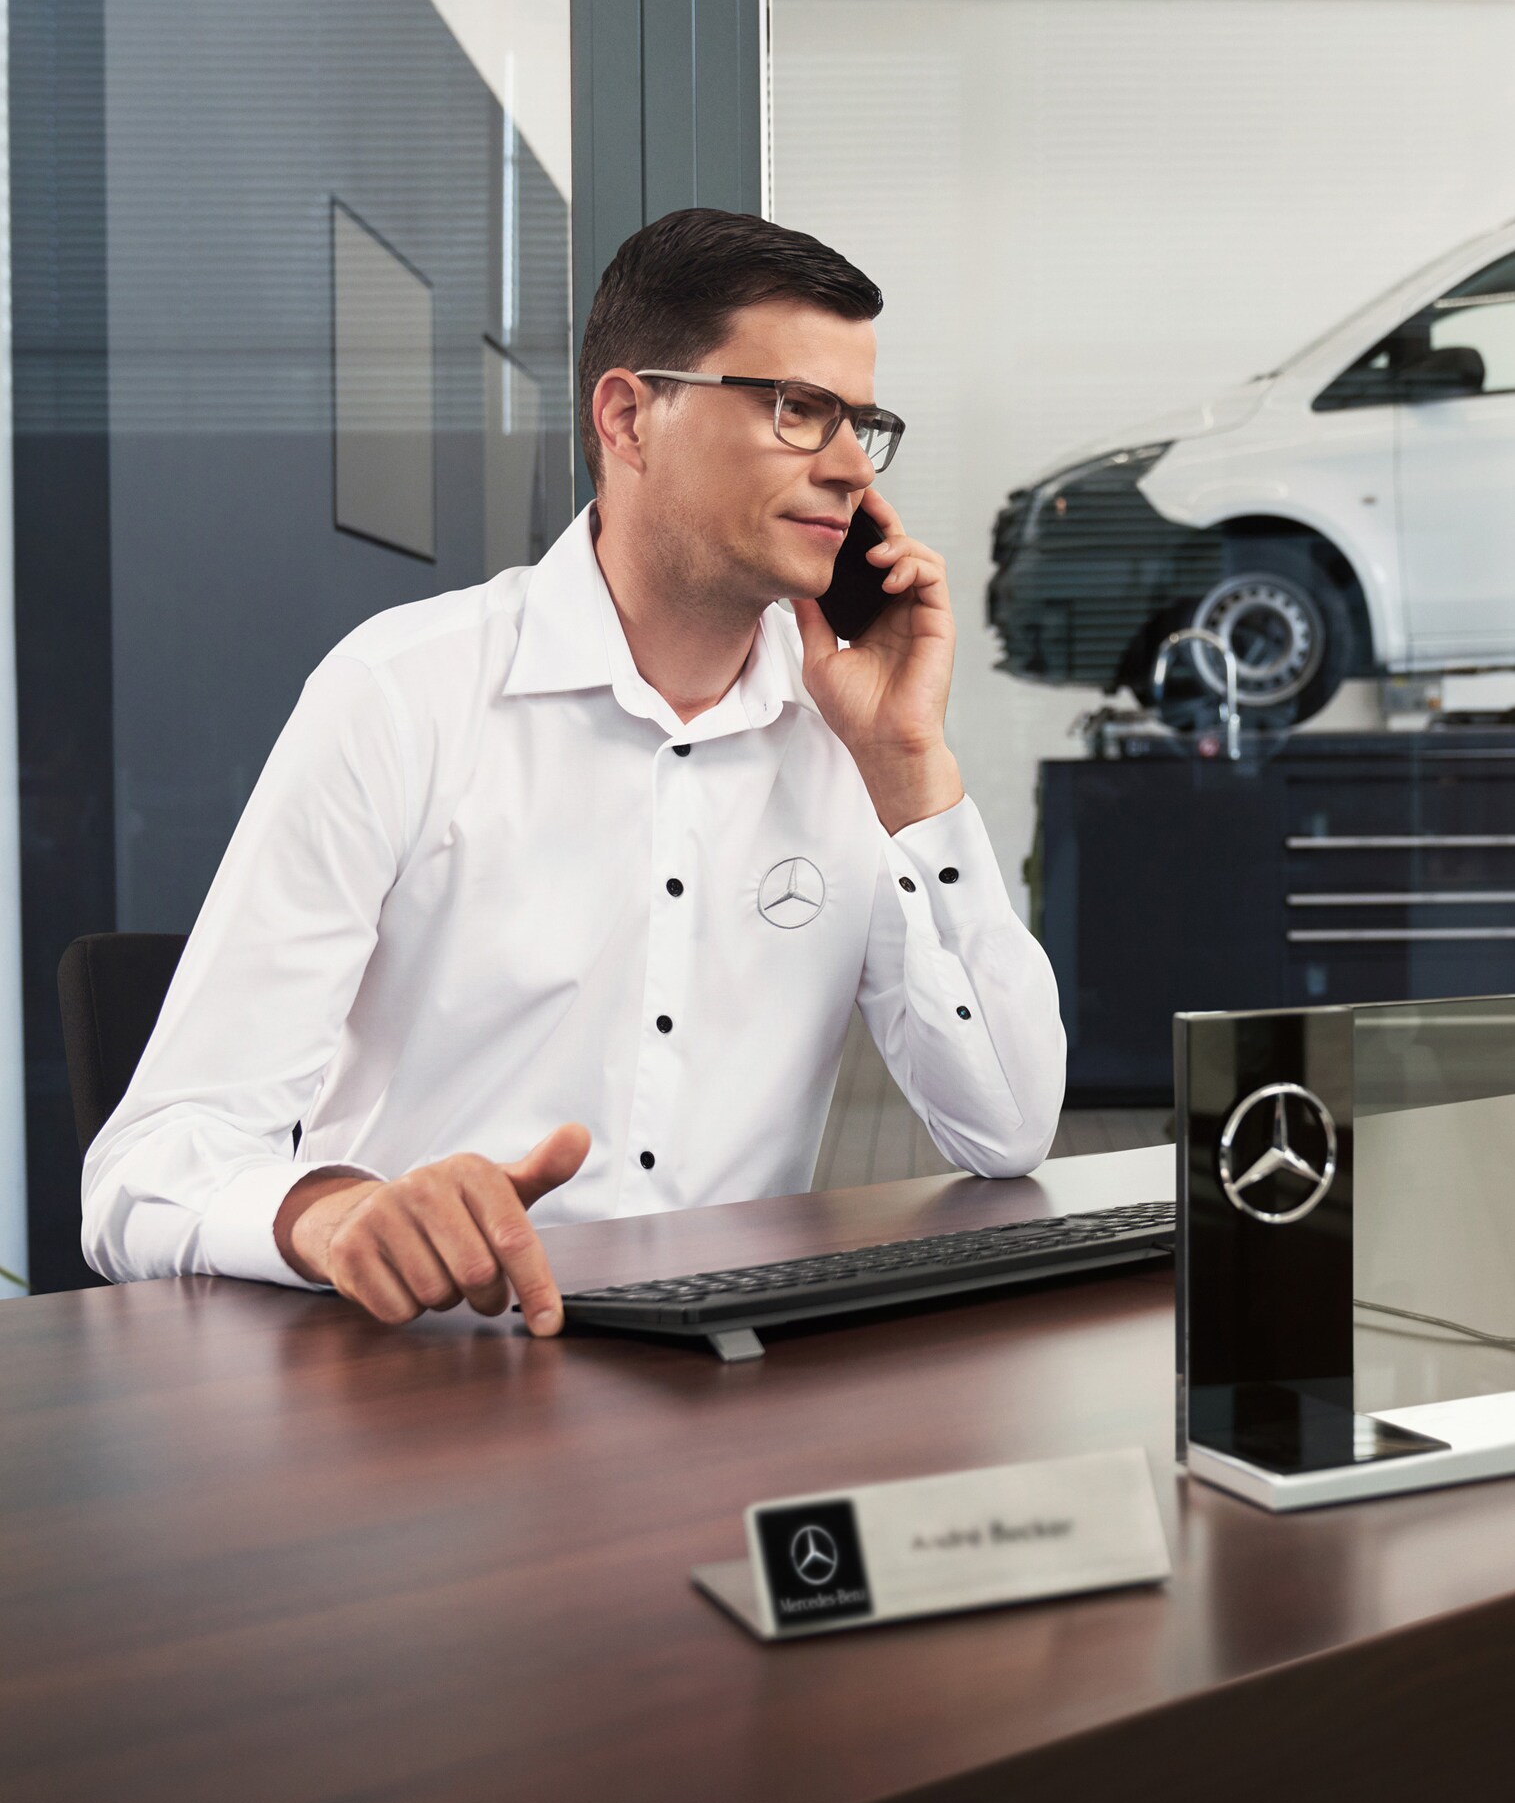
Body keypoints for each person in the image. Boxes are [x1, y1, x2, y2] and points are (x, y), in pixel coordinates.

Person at [81, 209, 1065, 1328]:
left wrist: (905, 763)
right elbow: (147, 1169)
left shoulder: (849, 734)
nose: (847, 467)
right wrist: (335, 1215)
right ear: (628, 417)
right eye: (797, 409)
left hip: (731, 1380)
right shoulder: (400, 695)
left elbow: (1007, 1128)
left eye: (861, 424)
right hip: (436, 1372)